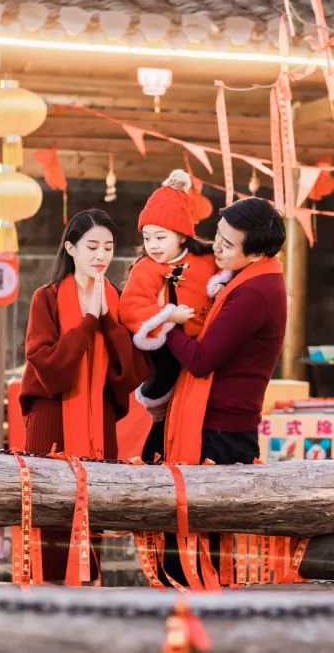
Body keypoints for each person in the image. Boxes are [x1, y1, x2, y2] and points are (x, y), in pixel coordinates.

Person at [146, 196, 287, 589]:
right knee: (201, 541)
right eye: (217, 237)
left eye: (228, 244)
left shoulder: (254, 292)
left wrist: (165, 321)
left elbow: (201, 359)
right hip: (221, 422)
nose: (217, 248)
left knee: (201, 546)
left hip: (220, 431)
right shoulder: (248, 278)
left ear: (257, 251)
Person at [18, 209, 150, 584]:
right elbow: (47, 365)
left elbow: (133, 371)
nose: (101, 256)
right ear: (71, 247)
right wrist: (88, 320)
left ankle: (85, 596)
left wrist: (108, 319)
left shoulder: (117, 299)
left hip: (98, 421)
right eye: (92, 246)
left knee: (91, 504)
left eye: (108, 247)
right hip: (52, 416)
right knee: (48, 506)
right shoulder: (45, 299)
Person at [118, 170, 228, 453]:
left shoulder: (205, 256)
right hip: (167, 342)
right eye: (147, 237)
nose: (153, 246)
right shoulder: (146, 267)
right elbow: (131, 306)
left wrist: (219, 285)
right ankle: (157, 408)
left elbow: (227, 272)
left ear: (181, 235)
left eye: (161, 237)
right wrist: (167, 315)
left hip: (203, 345)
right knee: (165, 386)